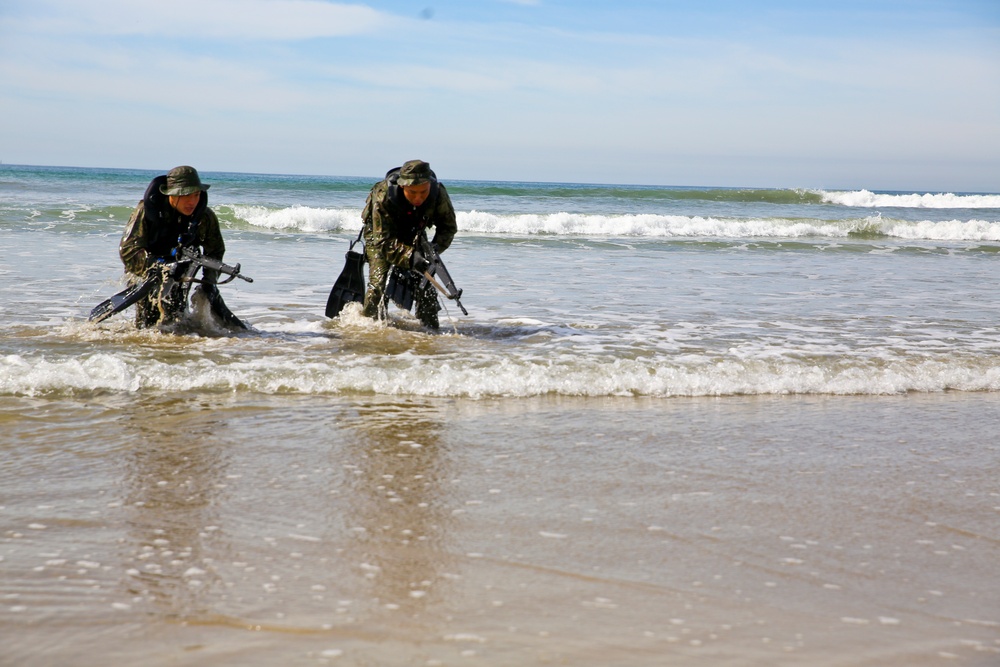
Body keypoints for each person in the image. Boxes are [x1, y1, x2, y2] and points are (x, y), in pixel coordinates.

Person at [119, 165, 235, 329]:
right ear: (171, 194)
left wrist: (208, 283)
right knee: (147, 324)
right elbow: (128, 250)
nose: (192, 202)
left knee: (177, 320)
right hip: (145, 274)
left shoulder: (204, 217)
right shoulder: (146, 211)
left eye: (196, 195)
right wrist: (160, 267)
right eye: (186, 195)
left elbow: (215, 250)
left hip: (182, 272)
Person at [361, 159, 457, 329]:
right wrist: (410, 256)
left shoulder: (438, 193)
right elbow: (383, 241)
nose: (418, 198)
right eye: (412, 192)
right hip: (380, 237)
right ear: (402, 186)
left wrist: (432, 252)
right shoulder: (384, 195)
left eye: (423, 192)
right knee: (378, 284)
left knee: (425, 287)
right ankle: (369, 330)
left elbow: (448, 228)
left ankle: (430, 332)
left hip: (415, 233)